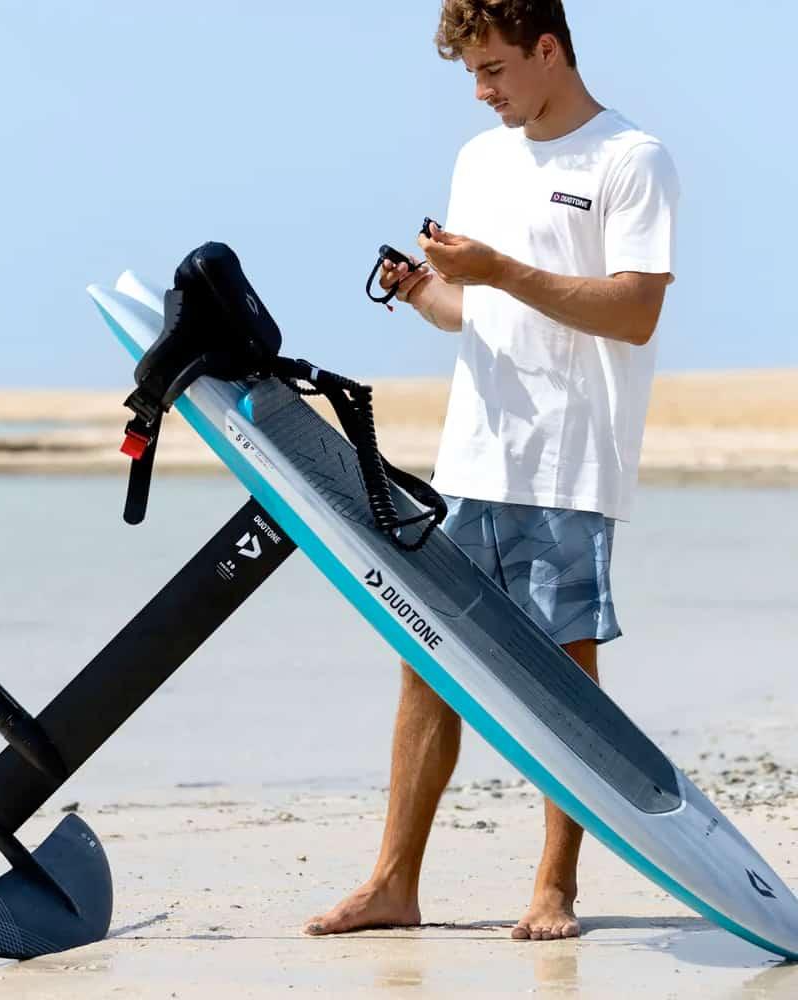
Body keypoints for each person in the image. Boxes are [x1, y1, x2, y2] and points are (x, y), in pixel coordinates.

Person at [305, 0, 679, 942]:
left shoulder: (631, 159)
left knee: (563, 678)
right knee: (426, 664)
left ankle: (555, 889)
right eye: (471, 74)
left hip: (571, 462)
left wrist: (500, 270)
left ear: (548, 49)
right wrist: (421, 289)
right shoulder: (480, 159)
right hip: (474, 456)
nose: (482, 92)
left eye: (495, 69)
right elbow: (474, 311)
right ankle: (394, 884)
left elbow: (634, 312)